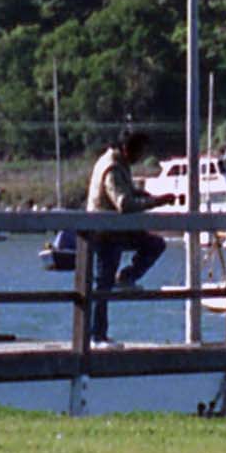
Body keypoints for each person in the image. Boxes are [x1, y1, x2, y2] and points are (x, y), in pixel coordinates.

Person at [85, 130, 166, 339]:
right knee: (102, 285)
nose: (140, 158)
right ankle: (97, 336)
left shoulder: (120, 163)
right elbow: (123, 203)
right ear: (127, 148)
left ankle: (126, 277)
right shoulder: (111, 166)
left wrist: (145, 195)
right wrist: (155, 203)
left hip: (118, 228)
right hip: (105, 231)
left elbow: (127, 192)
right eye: (139, 152)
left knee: (155, 245)